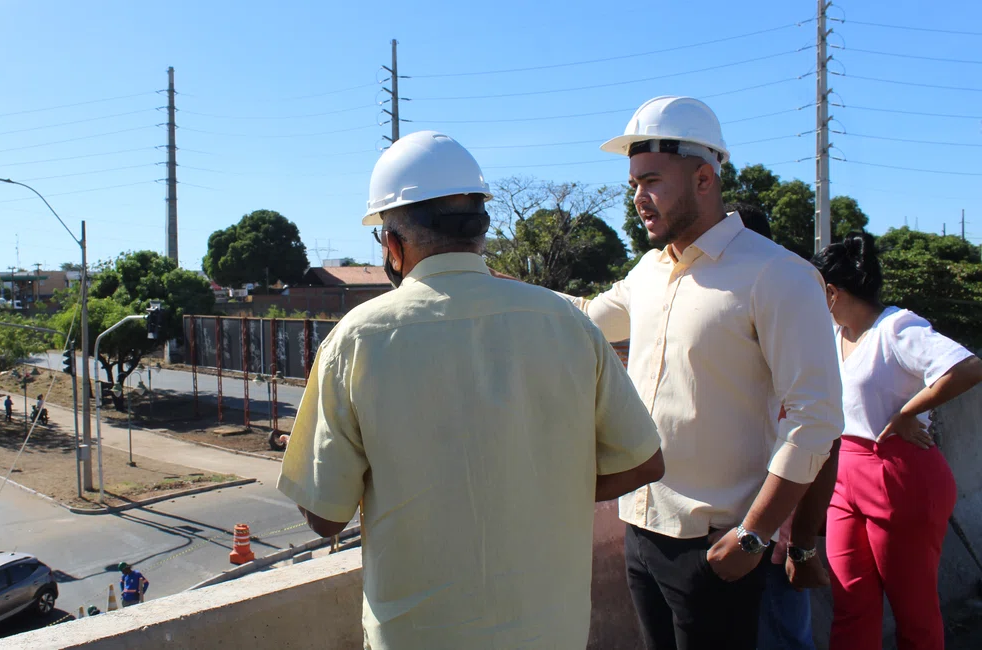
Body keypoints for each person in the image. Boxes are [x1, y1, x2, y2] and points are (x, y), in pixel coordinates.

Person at [277, 130, 665, 649]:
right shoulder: (567, 324)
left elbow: (326, 517)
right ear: (482, 231)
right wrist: (541, 488)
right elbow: (644, 462)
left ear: (392, 245)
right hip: (550, 633)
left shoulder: (356, 340)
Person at [565, 96, 844, 649]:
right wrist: (495, 287)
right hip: (643, 533)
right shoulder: (650, 270)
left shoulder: (777, 275)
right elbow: (585, 318)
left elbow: (816, 419)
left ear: (703, 178)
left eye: (651, 181)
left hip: (718, 544)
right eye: (633, 185)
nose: (639, 199)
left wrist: (754, 536)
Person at [813, 233, 982, 650]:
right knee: (850, 604)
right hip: (844, 475)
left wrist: (907, 412)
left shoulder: (896, 327)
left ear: (831, 292)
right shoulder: (835, 337)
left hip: (900, 474)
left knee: (914, 611)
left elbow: (967, 366)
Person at [726, 202, 837, 650]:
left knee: (784, 636)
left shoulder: (786, 305)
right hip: (739, 531)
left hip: (769, 533)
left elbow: (824, 436)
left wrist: (801, 546)